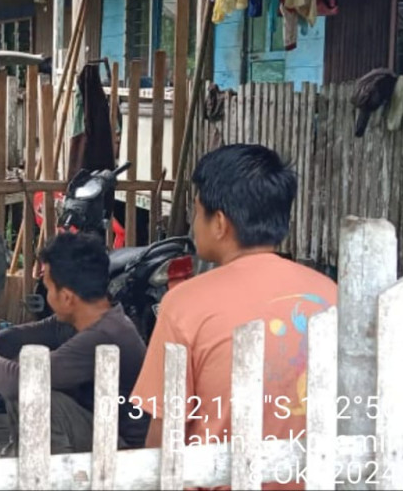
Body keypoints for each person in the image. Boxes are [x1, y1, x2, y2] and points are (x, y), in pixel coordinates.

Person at [130, 144, 337, 491]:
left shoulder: (184, 304)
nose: (194, 223)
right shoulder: (329, 294)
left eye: (197, 213)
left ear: (220, 223)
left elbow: (164, 437)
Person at [0, 232, 150, 454]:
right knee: (24, 365)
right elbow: (19, 337)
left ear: (67, 297)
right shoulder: (87, 317)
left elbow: (17, 381)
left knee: (31, 391)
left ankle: (50, 475)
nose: (47, 295)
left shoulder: (105, 334)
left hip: (125, 451)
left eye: (48, 288)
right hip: (98, 428)